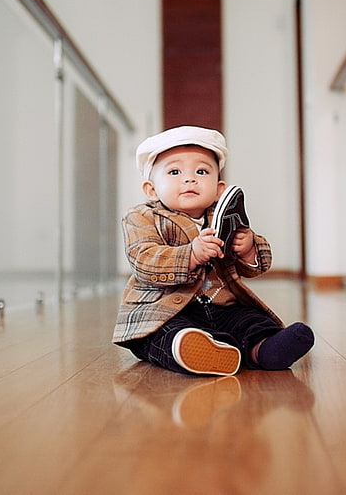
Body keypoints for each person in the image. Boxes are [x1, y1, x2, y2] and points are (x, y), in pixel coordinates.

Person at [113, 125, 314, 376]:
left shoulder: (223, 216)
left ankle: (263, 349)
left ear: (219, 188)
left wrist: (248, 249)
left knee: (249, 321)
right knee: (161, 334)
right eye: (174, 171)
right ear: (151, 189)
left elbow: (254, 267)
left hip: (222, 307)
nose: (189, 178)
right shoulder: (142, 217)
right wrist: (192, 254)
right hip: (162, 310)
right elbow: (143, 260)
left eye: (201, 171)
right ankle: (189, 350)